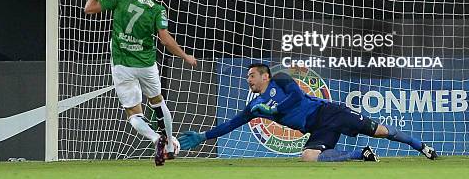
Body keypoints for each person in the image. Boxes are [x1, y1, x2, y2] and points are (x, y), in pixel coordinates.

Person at [179, 63, 438, 162]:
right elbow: (231, 124)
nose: (248, 80)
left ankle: (421, 146)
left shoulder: (280, 79)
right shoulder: (253, 106)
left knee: (380, 130)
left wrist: (273, 108)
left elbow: (297, 96)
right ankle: (361, 155)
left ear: (265, 75)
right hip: (318, 128)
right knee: (309, 157)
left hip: (330, 113)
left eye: (252, 75)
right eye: (247, 77)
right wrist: (204, 135)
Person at [84, 0, 197, 166]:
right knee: (158, 102)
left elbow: (89, 8)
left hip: (122, 65)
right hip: (146, 64)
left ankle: (156, 139)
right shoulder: (156, 9)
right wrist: (185, 56)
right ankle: (169, 147)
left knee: (134, 113)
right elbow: (165, 39)